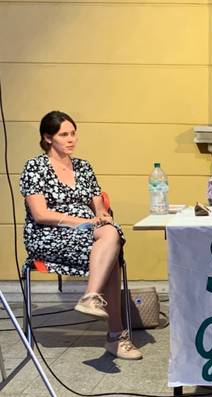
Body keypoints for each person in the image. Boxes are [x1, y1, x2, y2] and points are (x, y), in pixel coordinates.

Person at [19, 111, 142, 360]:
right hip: (49, 235)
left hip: (87, 234)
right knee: (111, 249)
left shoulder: (84, 167)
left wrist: (102, 215)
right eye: (64, 134)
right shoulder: (35, 167)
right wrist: (83, 221)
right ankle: (115, 336)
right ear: (47, 137)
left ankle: (91, 297)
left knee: (110, 234)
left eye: (73, 133)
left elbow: (98, 206)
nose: (71, 139)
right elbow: (40, 214)